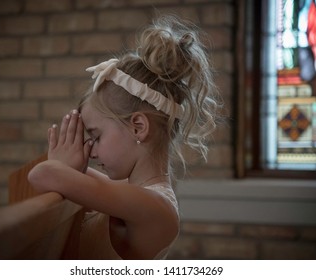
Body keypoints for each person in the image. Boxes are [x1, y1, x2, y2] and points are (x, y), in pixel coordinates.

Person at [28, 15, 220, 259]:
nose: (92, 151)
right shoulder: (127, 190)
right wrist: (64, 165)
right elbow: (58, 172)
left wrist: (60, 165)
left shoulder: (157, 208)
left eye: (96, 137)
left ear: (138, 127)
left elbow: (43, 174)